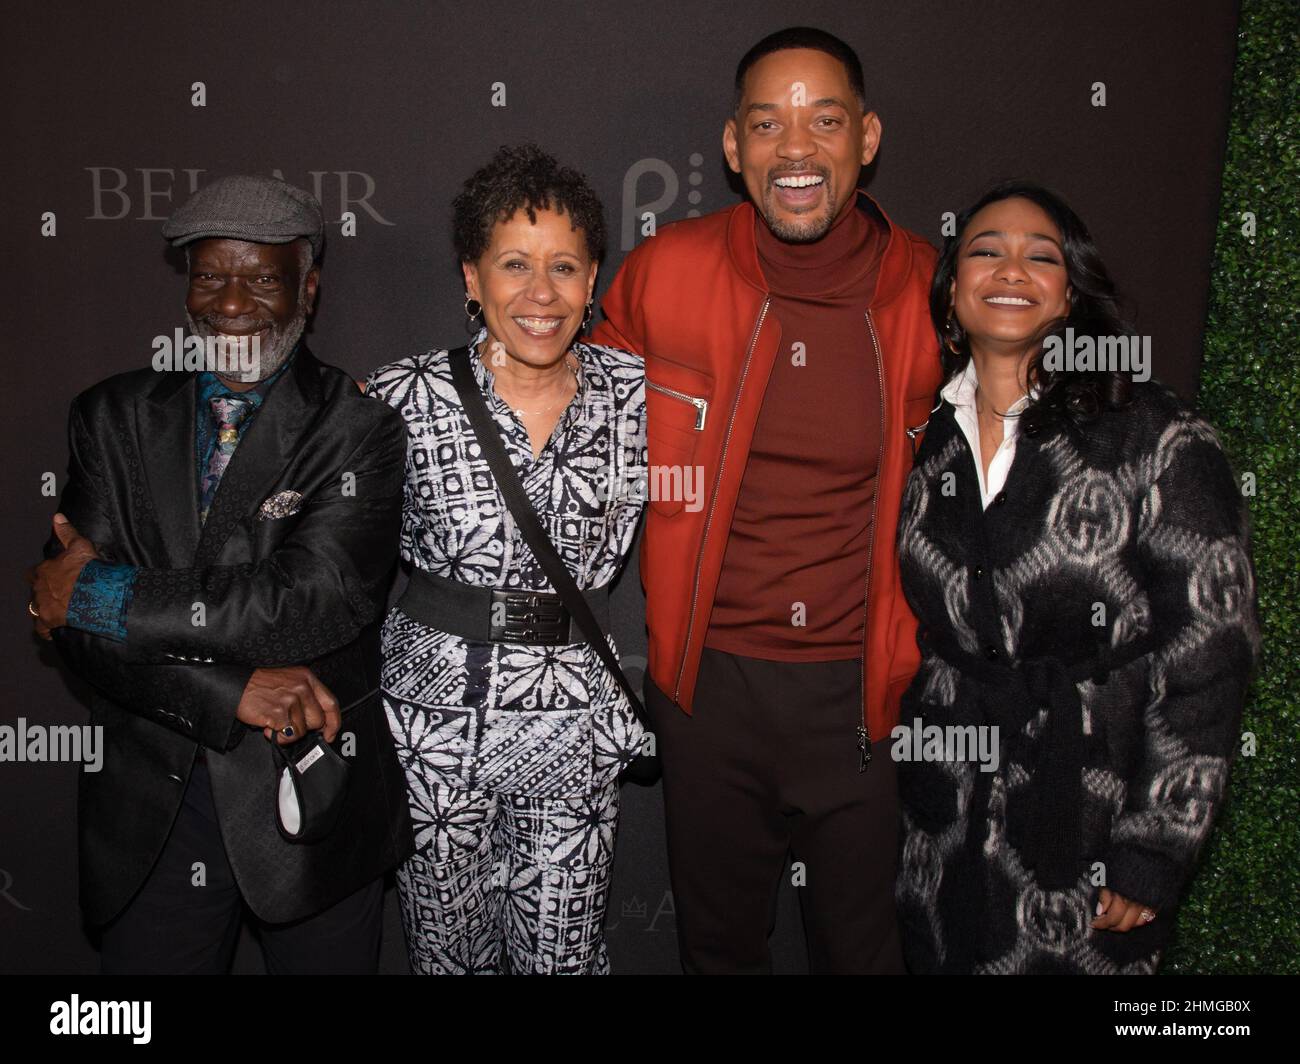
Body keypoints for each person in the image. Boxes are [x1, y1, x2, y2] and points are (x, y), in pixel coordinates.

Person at [592, 26, 941, 973]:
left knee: (864, 953)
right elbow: (572, 421)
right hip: (710, 691)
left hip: (865, 690)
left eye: (823, 120)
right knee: (719, 952)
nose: (796, 148)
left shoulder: (933, 290)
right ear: (733, 147)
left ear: (866, 138)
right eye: (767, 123)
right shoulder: (663, 273)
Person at [25, 175, 414, 974]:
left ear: (308, 287)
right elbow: (72, 636)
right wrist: (228, 691)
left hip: (310, 797)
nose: (230, 303)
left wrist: (101, 593)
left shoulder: (358, 428)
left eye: (262, 278)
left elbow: (311, 603)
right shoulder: (111, 417)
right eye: (210, 276)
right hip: (152, 807)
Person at [892, 181, 1259, 974]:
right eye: (984, 251)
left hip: (1086, 825)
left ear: (1069, 295)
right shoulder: (926, 439)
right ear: (953, 293)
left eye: (1041, 256)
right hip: (945, 829)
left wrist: (1152, 853)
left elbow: (1213, 652)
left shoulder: (1157, 435)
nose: (1010, 268)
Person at [366, 144, 647, 975]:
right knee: (446, 954)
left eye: (565, 266)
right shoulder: (399, 394)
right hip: (430, 727)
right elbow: (324, 549)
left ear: (594, 280)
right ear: (470, 277)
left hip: (571, 720)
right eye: (513, 265)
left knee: (563, 957)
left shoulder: (641, 397)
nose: (540, 293)